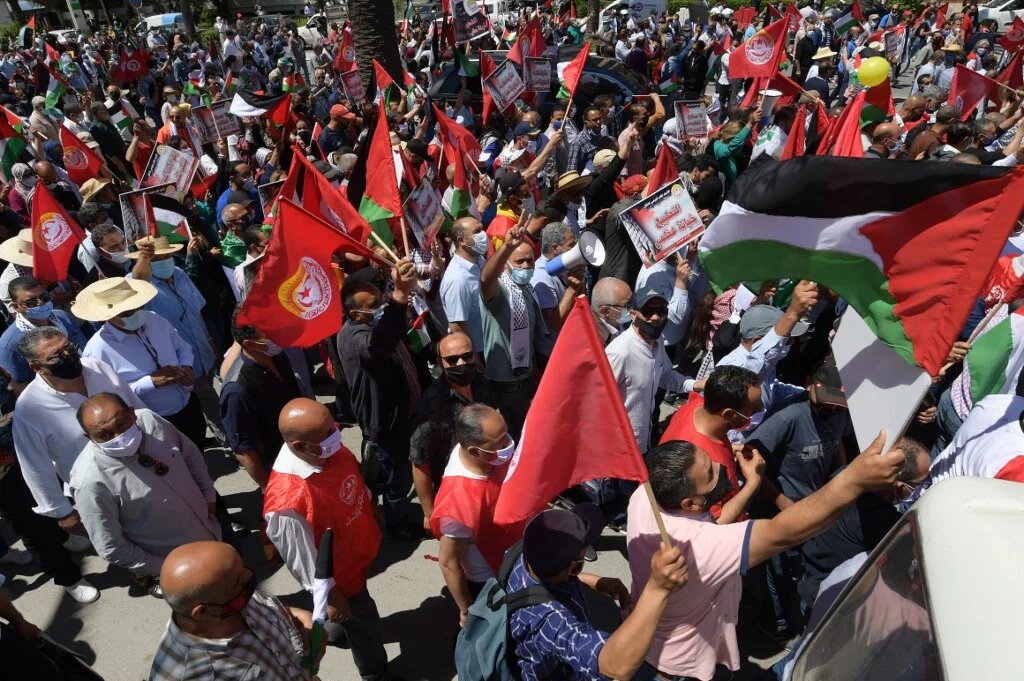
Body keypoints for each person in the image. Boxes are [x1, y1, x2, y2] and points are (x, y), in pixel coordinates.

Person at [627, 433, 905, 681]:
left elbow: (714, 526)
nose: (720, 467)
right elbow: (783, 532)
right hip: (681, 667)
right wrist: (854, 479)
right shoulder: (700, 547)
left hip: (650, 637)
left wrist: (752, 484)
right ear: (690, 503)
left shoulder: (644, 496)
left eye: (709, 459)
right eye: (710, 473)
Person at [263, 398, 397, 680]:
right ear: (299, 446)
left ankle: (335, 628)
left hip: (356, 552)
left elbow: (352, 477)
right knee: (366, 624)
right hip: (342, 578)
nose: (336, 435)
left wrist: (369, 502)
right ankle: (375, 673)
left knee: (350, 617)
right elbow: (304, 563)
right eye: (327, 434)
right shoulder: (288, 502)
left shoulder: (323, 446)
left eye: (333, 427)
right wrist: (332, 597)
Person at [13, 327, 147, 603]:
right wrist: (62, 512)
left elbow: (136, 407)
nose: (67, 356)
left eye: (68, 347)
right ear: (36, 367)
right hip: (98, 491)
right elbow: (35, 467)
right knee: (122, 540)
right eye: (56, 356)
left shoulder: (97, 367)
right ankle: (146, 575)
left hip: (141, 465)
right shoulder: (30, 409)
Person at [506, 506, 689, 680]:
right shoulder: (550, 620)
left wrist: (596, 582)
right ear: (572, 567)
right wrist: (657, 589)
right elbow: (615, 666)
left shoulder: (524, 552)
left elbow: (553, 580)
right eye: (582, 554)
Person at [69, 393, 220, 594]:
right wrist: (166, 567)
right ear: (89, 437)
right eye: (104, 434)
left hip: (213, 528)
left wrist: (208, 497)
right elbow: (111, 546)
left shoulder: (150, 421)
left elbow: (190, 455)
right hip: (180, 566)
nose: (118, 437)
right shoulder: (89, 482)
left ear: (132, 413)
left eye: (122, 424)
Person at [151, 541, 323, 681]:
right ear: (203, 612)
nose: (249, 575)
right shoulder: (194, 675)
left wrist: (297, 616)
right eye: (237, 582)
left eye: (242, 567)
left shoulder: (229, 597)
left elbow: (267, 605)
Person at [337, 258, 421, 538]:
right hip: (386, 424)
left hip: (403, 413)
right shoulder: (353, 338)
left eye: (382, 299)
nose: (382, 306)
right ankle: (398, 524)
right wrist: (399, 298)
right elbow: (379, 346)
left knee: (400, 468)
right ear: (355, 314)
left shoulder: (374, 324)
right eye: (375, 306)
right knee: (396, 478)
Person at [798, 437, 931, 608]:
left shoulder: (845, 475)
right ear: (899, 486)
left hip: (808, 578)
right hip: (828, 605)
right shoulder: (881, 519)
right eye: (921, 483)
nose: (922, 489)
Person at [75, 277, 208, 448]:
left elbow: (182, 347)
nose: (137, 313)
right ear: (109, 316)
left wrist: (187, 366)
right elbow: (109, 399)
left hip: (189, 403)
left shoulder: (155, 320)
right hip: (155, 422)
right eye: (127, 313)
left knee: (197, 448)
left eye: (139, 307)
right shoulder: (97, 351)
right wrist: (151, 382)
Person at [430, 404, 525, 626]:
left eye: (506, 433)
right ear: (474, 451)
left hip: (510, 553)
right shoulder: (458, 507)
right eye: (500, 442)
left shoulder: (476, 452)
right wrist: (467, 609)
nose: (508, 443)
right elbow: (448, 563)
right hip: (488, 579)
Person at [128, 236, 226, 446]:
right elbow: (138, 281)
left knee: (206, 395)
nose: (164, 262)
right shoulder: (140, 287)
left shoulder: (180, 274)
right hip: (180, 363)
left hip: (203, 351)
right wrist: (144, 258)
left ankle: (216, 434)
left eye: (167, 256)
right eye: (157, 259)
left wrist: (209, 339)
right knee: (210, 401)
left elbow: (197, 311)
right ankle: (228, 441)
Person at [659, 365, 768, 522]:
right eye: (754, 408)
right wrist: (753, 482)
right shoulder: (702, 464)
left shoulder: (695, 406)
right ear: (729, 414)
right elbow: (715, 521)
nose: (762, 408)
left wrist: (730, 449)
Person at [606, 286, 698, 451]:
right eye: (648, 312)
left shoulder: (657, 340)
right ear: (633, 315)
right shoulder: (619, 352)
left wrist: (696, 385)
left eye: (661, 311)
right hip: (621, 446)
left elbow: (665, 375)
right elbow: (600, 401)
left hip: (644, 438)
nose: (655, 317)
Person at [409, 332, 483, 534]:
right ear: (440, 363)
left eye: (467, 356)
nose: (461, 363)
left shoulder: (481, 383)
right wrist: (429, 512)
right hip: (454, 494)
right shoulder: (431, 407)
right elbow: (419, 463)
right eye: (452, 360)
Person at [220, 311, 304, 488]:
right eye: (270, 333)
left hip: (302, 451)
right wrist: (269, 488)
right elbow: (244, 450)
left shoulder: (276, 356)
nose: (279, 334)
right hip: (281, 468)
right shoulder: (237, 391)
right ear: (249, 344)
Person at [478, 222, 546, 440]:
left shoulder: (527, 289)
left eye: (530, 261)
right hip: (506, 381)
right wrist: (507, 247)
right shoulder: (500, 291)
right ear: (506, 264)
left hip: (526, 373)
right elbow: (486, 279)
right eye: (519, 261)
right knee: (517, 435)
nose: (526, 266)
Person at [718, 281, 818, 413]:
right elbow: (763, 361)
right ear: (758, 341)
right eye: (787, 338)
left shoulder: (764, 368)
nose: (792, 342)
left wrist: (806, 393)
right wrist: (793, 313)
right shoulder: (736, 368)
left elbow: (772, 387)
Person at [0, 276, 89, 395]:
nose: (40, 303)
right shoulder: (9, 345)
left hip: (89, 378)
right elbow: (20, 388)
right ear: (16, 307)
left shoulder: (62, 316)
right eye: (31, 302)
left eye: (44, 297)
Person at [440, 216, 487, 350]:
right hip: (480, 350)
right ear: (461, 241)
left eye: (482, 229)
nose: (483, 235)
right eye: (477, 232)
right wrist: (475, 357)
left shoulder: (479, 260)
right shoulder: (457, 280)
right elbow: (457, 327)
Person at [590, 277, 633, 345]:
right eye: (627, 305)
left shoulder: (621, 321)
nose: (633, 309)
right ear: (605, 311)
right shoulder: (597, 342)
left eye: (633, 301)